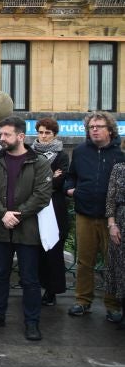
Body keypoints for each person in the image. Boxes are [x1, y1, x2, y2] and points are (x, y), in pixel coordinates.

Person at [0, 116, 52, 341]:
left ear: (20, 136)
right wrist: (3, 213)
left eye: (6, 134)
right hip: (0, 227)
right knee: (0, 274)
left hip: (27, 228)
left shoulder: (38, 162)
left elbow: (42, 194)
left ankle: (32, 322)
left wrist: (17, 214)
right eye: (0, 134)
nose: (1, 138)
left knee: (30, 278)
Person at [65, 111, 124, 322]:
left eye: (99, 126)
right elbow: (71, 176)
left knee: (112, 263)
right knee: (84, 261)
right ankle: (82, 301)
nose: (95, 130)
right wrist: (70, 190)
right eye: (91, 127)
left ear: (110, 130)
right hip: (85, 214)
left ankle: (113, 305)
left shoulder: (120, 153)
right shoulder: (80, 151)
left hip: (113, 219)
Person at [32, 118, 70, 307]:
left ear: (54, 134)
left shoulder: (62, 155)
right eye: (41, 132)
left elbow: (59, 182)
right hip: (35, 207)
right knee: (35, 249)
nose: (44, 136)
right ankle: (33, 287)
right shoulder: (30, 152)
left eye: (47, 132)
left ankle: (51, 291)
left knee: (53, 250)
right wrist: (49, 175)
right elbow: (28, 180)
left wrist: (43, 179)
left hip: (55, 208)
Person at [105, 144, 125, 330]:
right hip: (121, 222)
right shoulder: (119, 168)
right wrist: (112, 224)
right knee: (121, 268)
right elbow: (110, 199)